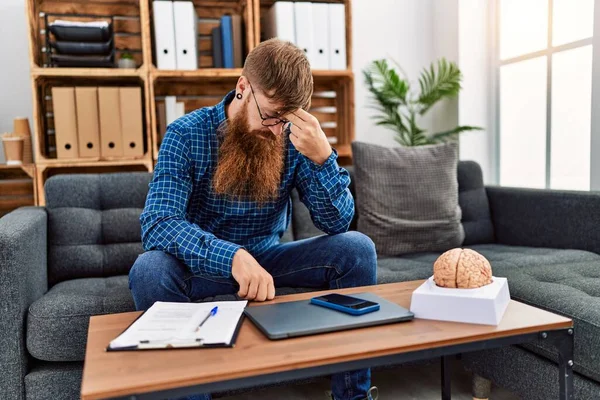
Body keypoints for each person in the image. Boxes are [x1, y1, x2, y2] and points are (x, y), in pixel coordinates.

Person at [129, 38, 378, 400]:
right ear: (243, 87)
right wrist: (231, 256)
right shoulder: (186, 134)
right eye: (272, 115)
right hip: (200, 269)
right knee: (149, 269)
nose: (278, 130)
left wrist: (324, 158)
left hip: (268, 262)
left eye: (288, 119)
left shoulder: (291, 137)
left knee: (357, 250)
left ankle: (352, 397)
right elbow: (158, 222)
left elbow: (336, 222)